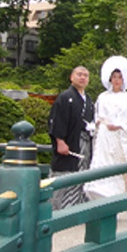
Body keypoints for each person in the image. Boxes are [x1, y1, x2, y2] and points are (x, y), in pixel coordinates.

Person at [84, 56, 127, 200]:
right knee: (102, 162)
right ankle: (99, 192)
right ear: (110, 78)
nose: (116, 80)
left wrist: (120, 125)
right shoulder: (103, 96)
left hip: (121, 136)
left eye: (120, 77)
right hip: (105, 135)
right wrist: (98, 123)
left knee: (119, 165)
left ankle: (118, 195)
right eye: (114, 77)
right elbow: (96, 114)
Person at [48, 66, 95, 210]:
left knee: (81, 176)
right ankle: (56, 209)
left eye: (85, 75)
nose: (82, 77)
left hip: (84, 144)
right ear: (71, 77)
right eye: (79, 74)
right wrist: (60, 141)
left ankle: (75, 208)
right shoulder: (65, 97)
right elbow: (57, 120)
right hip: (69, 143)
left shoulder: (88, 100)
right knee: (64, 175)